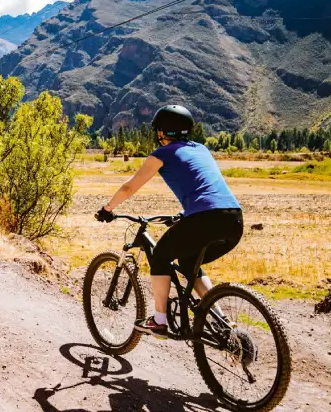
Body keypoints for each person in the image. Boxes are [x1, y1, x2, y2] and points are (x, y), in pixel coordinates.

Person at [95, 105, 243, 339]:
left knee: (161, 255)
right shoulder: (202, 149)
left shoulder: (161, 154)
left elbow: (130, 187)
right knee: (188, 261)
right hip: (234, 219)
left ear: (163, 132)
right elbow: (203, 187)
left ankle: (159, 321)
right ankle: (221, 322)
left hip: (204, 218)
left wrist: (107, 208)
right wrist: (185, 214)